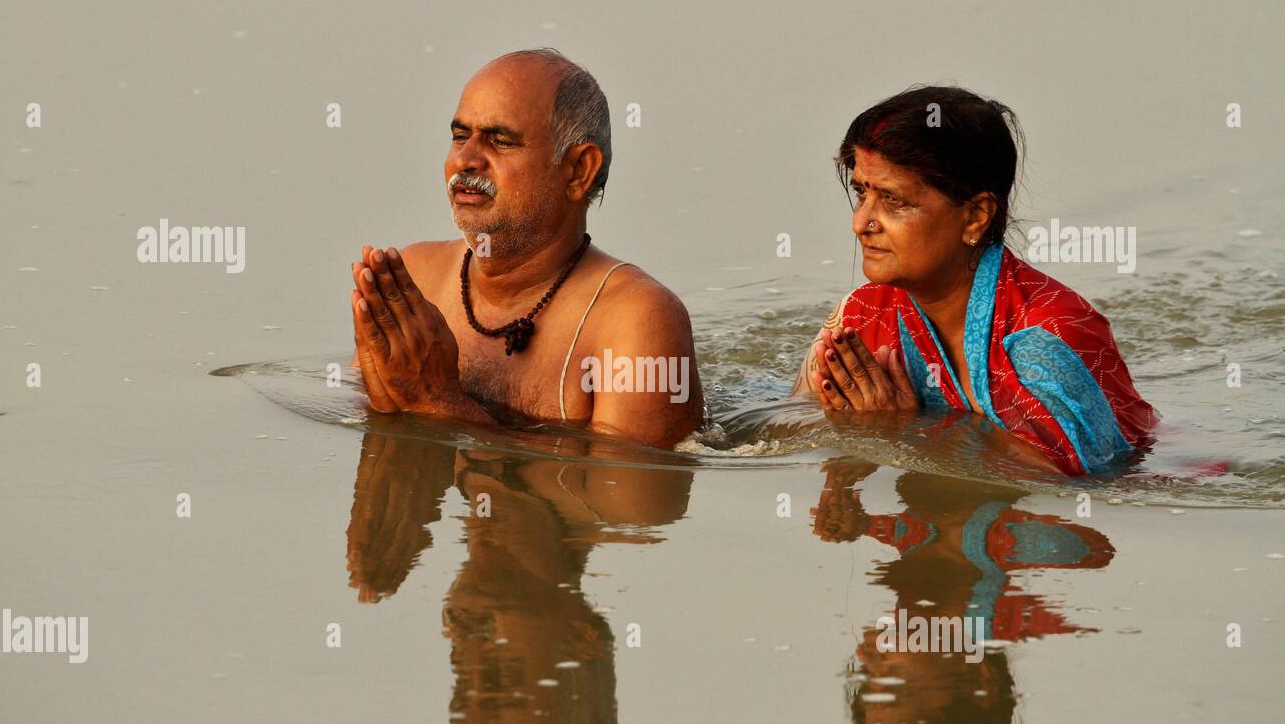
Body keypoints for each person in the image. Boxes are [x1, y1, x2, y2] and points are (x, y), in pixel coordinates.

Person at [793, 86, 1159, 476]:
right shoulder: (860, 320)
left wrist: (899, 430)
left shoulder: (1048, 339)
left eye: (894, 200)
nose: (861, 223)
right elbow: (787, 427)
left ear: (975, 217)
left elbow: (1084, 485)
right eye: (860, 192)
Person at [350, 48, 703, 451]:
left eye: (499, 141)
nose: (465, 160)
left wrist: (436, 402)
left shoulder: (639, 321)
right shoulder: (417, 279)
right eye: (460, 136)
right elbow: (355, 414)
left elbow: (635, 496)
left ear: (578, 171)